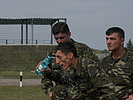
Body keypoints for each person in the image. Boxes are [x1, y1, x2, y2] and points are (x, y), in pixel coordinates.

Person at [40, 22, 100, 99]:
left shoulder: (83, 50)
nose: (59, 41)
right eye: (56, 38)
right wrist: (50, 91)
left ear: (69, 34)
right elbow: (45, 76)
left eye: (62, 37)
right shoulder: (53, 54)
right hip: (60, 96)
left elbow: (97, 72)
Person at [100, 27, 133, 99]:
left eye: (112, 39)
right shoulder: (104, 62)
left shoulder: (130, 59)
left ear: (122, 41)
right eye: (107, 39)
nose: (108, 42)